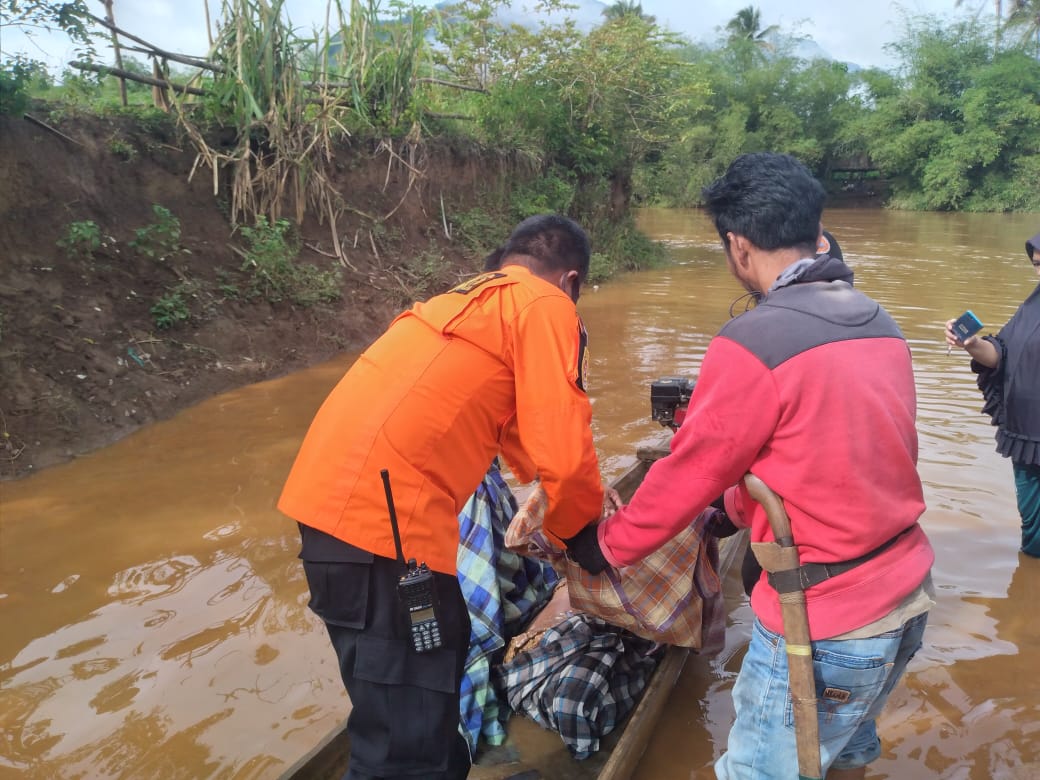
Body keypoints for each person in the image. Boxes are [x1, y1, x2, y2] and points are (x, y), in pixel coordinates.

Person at [565, 153, 935, 779]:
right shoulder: (878, 320)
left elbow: (688, 473)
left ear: (738, 245)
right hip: (904, 593)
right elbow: (827, 459)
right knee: (844, 754)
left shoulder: (755, 341)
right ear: (814, 231)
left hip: (826, 618)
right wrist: (734, 509)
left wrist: (609, 545)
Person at [278, 213, 606, 780]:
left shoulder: (457, 304)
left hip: (331, 521)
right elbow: (565, 444)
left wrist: (538, 494)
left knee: (426, 673)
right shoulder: (546, 304)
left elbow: (516, 434)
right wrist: (583, 537)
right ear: (571, 281)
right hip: (388, 534)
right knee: (404, 737)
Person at [945, 231, 1040, 558]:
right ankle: (1029, 594)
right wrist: (971, 344)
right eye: (1037, 265)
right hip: (1027, 437)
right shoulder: (1031, 308)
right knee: (1032, 525)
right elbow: (1001, 354)